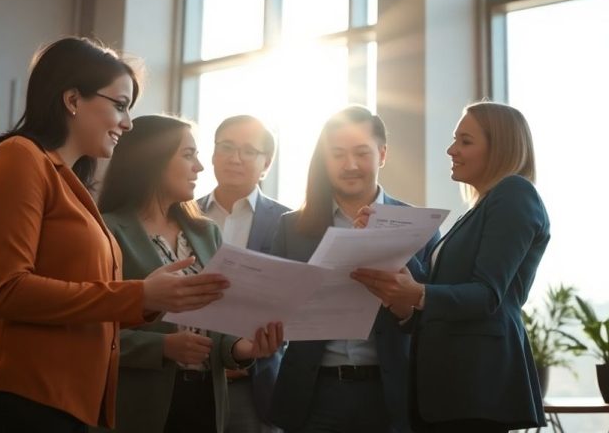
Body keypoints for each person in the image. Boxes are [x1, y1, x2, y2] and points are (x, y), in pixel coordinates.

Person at [0, 37, 230, 433]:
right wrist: (140, 295)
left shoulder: (69, 184)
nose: (128, 123)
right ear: (72, 100)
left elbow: (88, 304)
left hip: (72, 402)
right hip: (21, 398)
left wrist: (146, 299)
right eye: (120, 105)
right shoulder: (19, 159)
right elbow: (8, 291)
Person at [351, 102, 550, 433]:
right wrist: (382, 243)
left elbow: (487, 295)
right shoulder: (478, 209)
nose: (451, 149)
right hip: (449, 391)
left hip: (476, 388)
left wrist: (418, 293)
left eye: (465, 141)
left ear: (499, 147)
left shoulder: (515, 193)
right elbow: (437, 291)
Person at [97, 114, 283, 433]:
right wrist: (162, 347)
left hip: (206, 404)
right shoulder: (106, 230)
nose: (199, 167)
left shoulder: (205, 232)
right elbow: (89, 328)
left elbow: (219, 327)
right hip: (137, 407)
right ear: (151, 160)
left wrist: (244, 348)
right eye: (188, 155)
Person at [269, 105, 437, 433]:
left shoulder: (419, 224)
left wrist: (387, 247)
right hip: (314, 392)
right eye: (338, 154)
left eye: (362, 153)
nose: (350, 165)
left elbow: (430, 314)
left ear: (383, 154)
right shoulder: (293, 227)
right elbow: (274, 304)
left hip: (390, 392)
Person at [197, 115, 291, 433]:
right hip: (188, 374)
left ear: (266, 164)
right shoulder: (184, 214)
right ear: (212, 155)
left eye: (249, 151)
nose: (235, 158)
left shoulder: (289, 223)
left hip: (256, 382)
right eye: (226, 147)